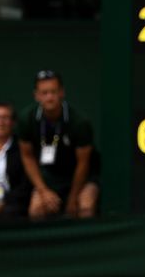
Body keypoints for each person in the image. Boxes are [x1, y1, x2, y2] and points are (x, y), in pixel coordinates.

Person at [17, 70, 99, 220]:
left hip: (80, 178)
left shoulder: (79, 122)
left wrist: (73, 198)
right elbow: (27, 156)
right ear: (36, 95)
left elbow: (83, 163)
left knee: (85, 206)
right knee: (36, 208)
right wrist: (43, 190)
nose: (49, 97)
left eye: (53, 92)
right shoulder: (26, 119)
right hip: (49, 179)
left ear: (62, 93)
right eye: (44, 93)